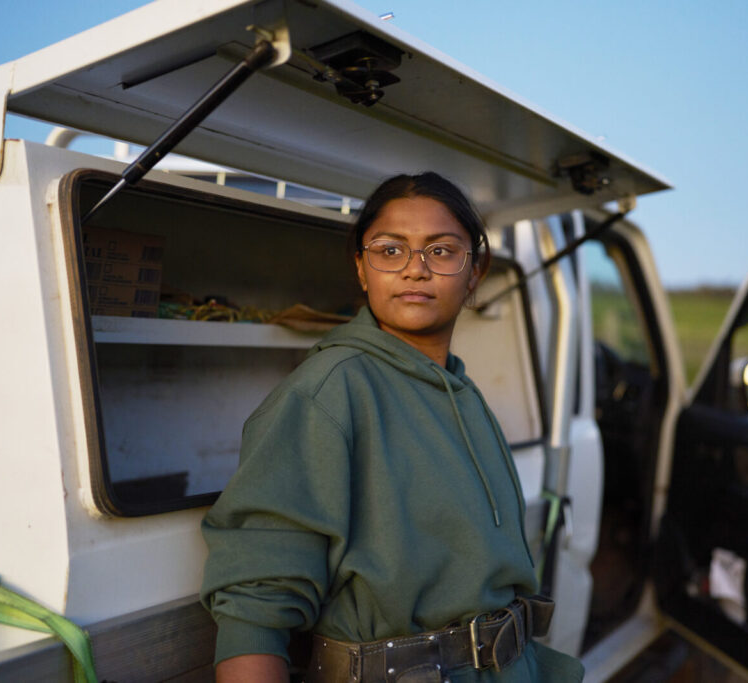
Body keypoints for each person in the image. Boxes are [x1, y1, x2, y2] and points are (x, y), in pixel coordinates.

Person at [201, 172, 584, 682]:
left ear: (475, 272)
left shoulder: (459, 390)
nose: (415, 271)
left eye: (442, 251)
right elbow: (255, 611)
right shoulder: (327, 393)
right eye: (389, 250)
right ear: (362, 269)